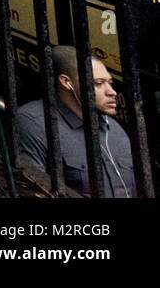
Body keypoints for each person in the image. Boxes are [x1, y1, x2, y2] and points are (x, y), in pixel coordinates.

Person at [13, 45, 134, 197]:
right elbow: (30, 188)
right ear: (66, 82)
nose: (112, 92)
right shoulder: (34, 123)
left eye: (110, 83)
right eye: (98, 83)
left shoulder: (113, 129)